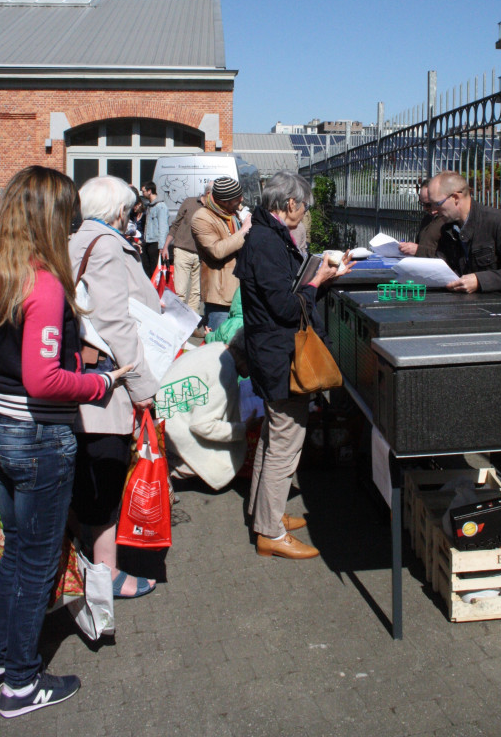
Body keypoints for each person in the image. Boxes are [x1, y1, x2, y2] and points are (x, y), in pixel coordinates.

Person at [0, 166, 130, 717]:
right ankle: (21, 682)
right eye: (68, 215)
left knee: (14, 554)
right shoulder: (43, 282)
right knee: (37, 562)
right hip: (38, 435)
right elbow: (44, 377)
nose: (74, 225)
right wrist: (101, 382)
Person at [234, 171, 350, 560]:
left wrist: (322, 278)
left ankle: (264, 514)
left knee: (274, 436)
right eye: (304, 206)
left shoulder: (266, 234)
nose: (305, 212)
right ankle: (269, 531)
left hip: (272, 351)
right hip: (279, 355)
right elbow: (285, 307)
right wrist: (318, 281)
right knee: (285, 441)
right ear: (289, 205)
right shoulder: (267, 241)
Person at [69, 176, 162, 599]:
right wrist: (142, 383)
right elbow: (114, 320)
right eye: (128, 211)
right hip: (108, 379)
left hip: (87, 377)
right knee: (104, 475)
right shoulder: (105, 244)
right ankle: (106, 576)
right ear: (119, 211)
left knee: (90, 476)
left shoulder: (77, 238)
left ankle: (88, 566)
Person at [426, 170, 501, 493]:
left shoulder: (497, 222)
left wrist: (481, 280)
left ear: (457, 197)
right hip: (485, 324)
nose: (433, 211)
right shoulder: (450, 230)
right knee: (493, 403)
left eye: (437, 204)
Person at [163, 330, 251, 489]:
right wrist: (243, 429)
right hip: (172, 431)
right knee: (223, 460)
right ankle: (171, 469)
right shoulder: (225, 372)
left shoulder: (215, 350)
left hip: (164, 416)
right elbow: (202, 425)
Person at [191, 177, 252, 330]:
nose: (241, 200)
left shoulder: (231, 213)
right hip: (220, 296)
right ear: (224, 201)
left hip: (239, 292)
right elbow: (217, 251)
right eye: (236, 199)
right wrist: (244, 230)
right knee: (219, 346)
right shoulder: (201, 218)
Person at [161, 190, 205, 314]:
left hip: (200, 255)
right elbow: (175, 225)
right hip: (182, 250)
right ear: (208, 194)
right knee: (180, 291)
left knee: (196, 292)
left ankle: (191, 322)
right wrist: (165, 246)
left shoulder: (212, 209)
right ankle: (175, 319)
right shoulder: (189, 202)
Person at [398, 179, 443, 257]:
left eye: (428, 204)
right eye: (422, 204)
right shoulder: (427, 219)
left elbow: (449, 256)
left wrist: (418, 250)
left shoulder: (450, 221)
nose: (425, 208)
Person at [140, 181, 169, 277]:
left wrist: (162, 246)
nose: (142, 194)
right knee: (147, 269)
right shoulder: (150, 206)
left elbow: (163, 227)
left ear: (149, 191)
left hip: (155, 243)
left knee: (155, 270)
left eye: (143, 191)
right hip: (148, 242)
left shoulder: (160, 206)